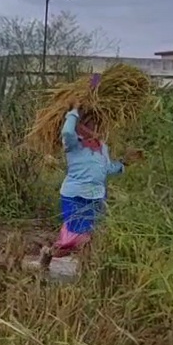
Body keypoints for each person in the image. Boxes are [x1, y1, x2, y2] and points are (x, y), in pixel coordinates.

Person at [39, 106, 141, 269]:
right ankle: (48, 253)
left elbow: (106, 168)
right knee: (73, 239)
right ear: (80, 125)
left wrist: (124, 163)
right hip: (74, 195)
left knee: (90, 237)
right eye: (88, 123)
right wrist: (74, 110)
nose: (92, 127)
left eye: (94, 124)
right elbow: (66, 131)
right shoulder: (73, 142)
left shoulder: (102, 147)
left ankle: (85, 270)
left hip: (95, 196)